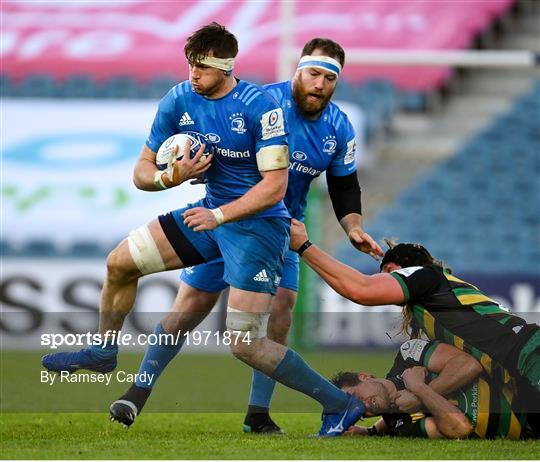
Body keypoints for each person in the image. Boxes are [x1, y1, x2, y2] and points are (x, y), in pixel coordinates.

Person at [42, 23, 365, 437]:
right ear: (298, 70)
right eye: (190, 65)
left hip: (262, 228)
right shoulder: (180, 97)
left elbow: (278, 188)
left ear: (227, 66)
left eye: (202, 67)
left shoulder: (262, 107)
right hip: (211, 214)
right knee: (121, 264)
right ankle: (106, 353)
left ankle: (327, 406)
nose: (192, 74)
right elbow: (142, 171)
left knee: (250, 339)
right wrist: (169, 177)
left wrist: (351, 225)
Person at [288, 219, 540, 416]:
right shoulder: (435, 301)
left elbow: (360, 290)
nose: (386, 283)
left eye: (386, 274)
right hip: (519, 372)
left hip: (528, 354)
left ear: (398, 269)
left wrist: (303, 246)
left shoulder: (424, 276)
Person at [332, 338, 538, 439]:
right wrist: (420, 391)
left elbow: (470, 365)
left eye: (356, 397)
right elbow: (460, 428)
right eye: (357, 411)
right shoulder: (400, 425)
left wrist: (418, 392)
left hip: (527, 389)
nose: (362, 406)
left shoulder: (408, 355)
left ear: (364, 377)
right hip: (530, 426)